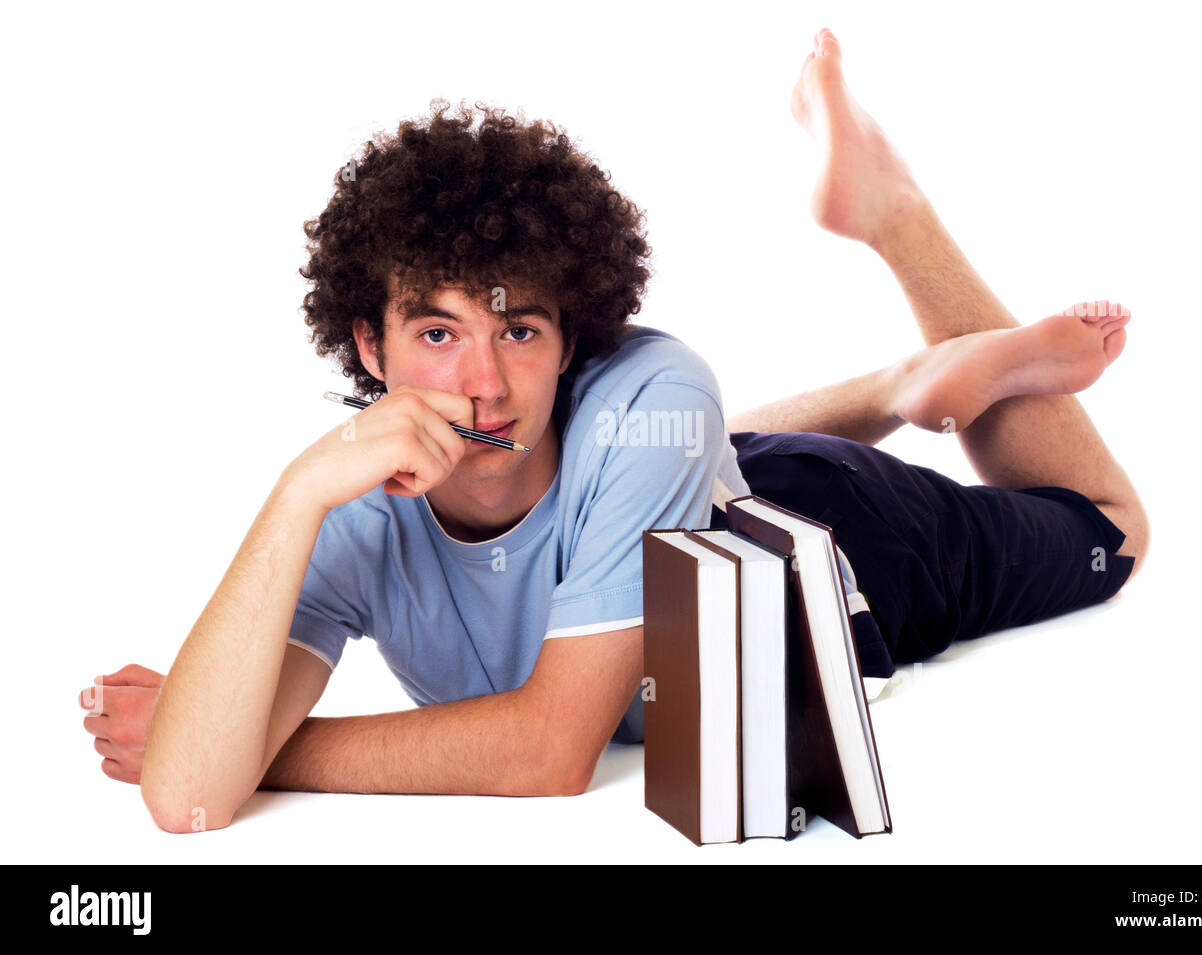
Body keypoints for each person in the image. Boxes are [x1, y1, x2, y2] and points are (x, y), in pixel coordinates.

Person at [80, 28, 1147, 833]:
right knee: (675, 444)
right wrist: (296, 491)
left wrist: (260, 743)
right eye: (438, 331)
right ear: (369, 343)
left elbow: (550, 750)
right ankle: (903, 381)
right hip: (676, 481)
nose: (484, 384)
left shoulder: (654, 389)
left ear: (571, 337)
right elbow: (185, 799)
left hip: (829, 539)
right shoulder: (352, 506)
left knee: (1112, 524)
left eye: (522, 330)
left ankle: (895, 215)